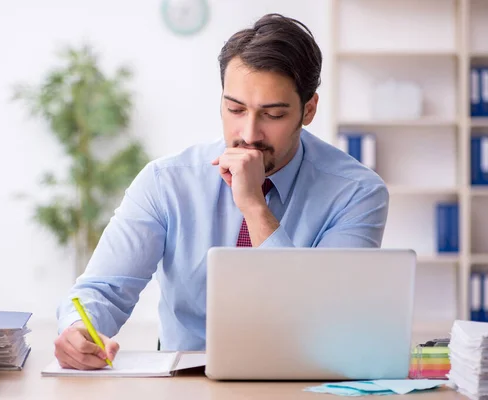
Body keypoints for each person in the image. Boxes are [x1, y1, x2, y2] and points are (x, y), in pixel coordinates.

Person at [54, 13, 389, 370]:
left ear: (308, 110)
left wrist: (254, 207)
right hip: (189, 379)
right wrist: (78, 329)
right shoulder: (167, 182)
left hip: (304, 376)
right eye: (235, 109)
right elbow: (103, 289)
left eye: (272, 115)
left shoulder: (357, 193)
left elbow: (324, 321)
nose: (249, 133)